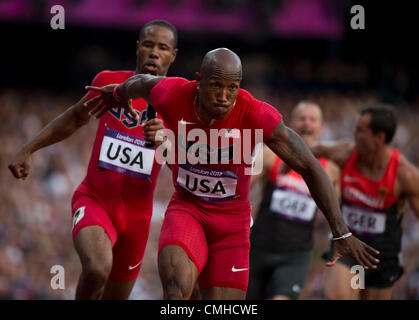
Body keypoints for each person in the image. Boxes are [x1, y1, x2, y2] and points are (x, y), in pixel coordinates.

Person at [84, 48, 380, 300]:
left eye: (232, 88)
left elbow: (310, 166)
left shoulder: (255, 114)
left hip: (232, 223)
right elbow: (142, 82)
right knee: (176, 290)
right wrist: (119, 93)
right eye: (215, 85)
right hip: (187, 209)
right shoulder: (173, 93)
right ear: (198, 82)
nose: (224, 97)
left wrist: (340, 230)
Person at [8, 20, 177, 300]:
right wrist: (28, 148)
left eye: (163, 48)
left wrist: (167, 142)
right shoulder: (109, 83)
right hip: (95, 200)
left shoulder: (177, 102)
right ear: (137, 49)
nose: (154, 53)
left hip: (137, 220)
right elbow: (75, 118)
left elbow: (185, 166)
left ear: (173, 56)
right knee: (97, 268)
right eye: (148, 45)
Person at [310, 104, 419, 300]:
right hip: (347, 246)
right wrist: (283, 164)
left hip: (383, 256)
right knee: (337, 296)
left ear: (379, 138)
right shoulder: (346, 153)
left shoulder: (405, 175)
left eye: (361, 130)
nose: (354, 134)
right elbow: (314, 149)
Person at [246, 101, 341, 300]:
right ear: (290, 123)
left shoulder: (330, 171)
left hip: (295, 255)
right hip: (258, 247)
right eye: (301, 119)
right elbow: (241, 189)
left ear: (321, 127)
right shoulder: (270, 155)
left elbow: (338, 215)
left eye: (312, 120)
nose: (307, 124)